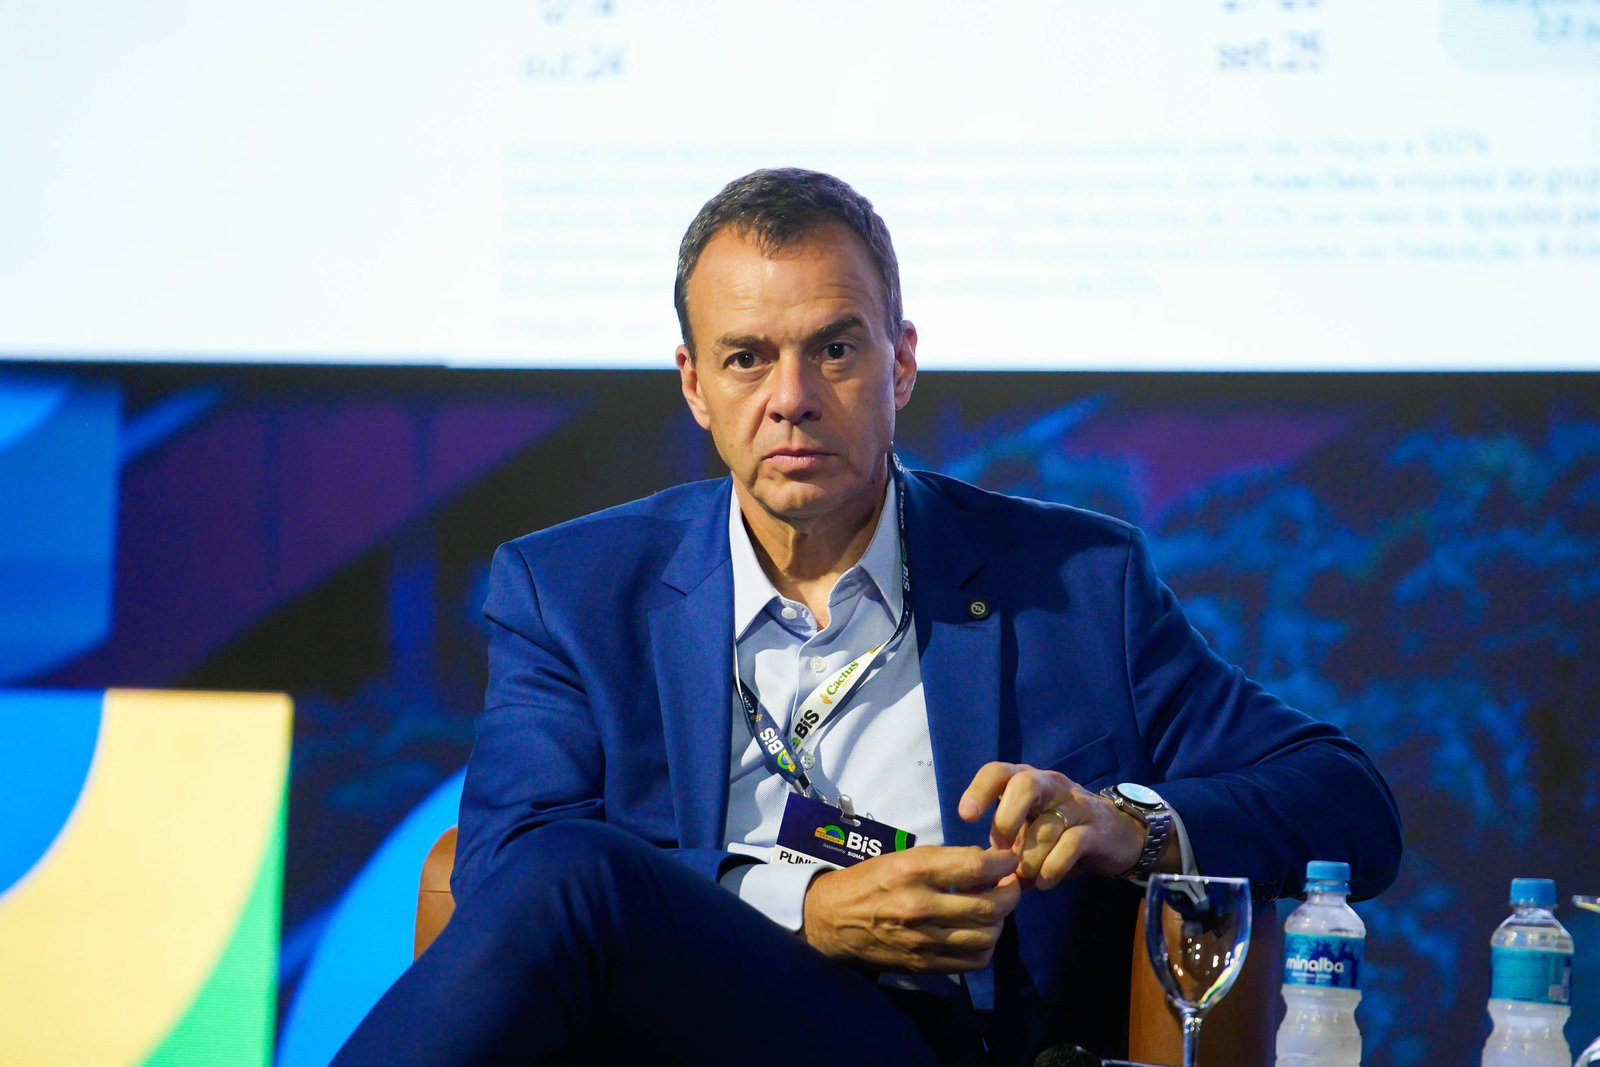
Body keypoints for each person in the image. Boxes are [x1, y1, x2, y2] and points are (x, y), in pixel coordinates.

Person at [334, 168, 1402, 1066]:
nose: (790, 395)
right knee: (566, 866)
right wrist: (805, 912)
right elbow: (506, 868)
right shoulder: (570, 589)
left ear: (900, 362)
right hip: (676, 1037)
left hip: (953, 1044)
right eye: (747, 356)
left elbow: (1349, 800)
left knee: (578, 869)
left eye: (834, 350)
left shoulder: (1072, 580)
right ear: (694, 384)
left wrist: (1128, 821)